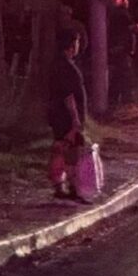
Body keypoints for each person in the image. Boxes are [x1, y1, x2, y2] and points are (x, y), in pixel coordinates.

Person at [47, 29, 87, 200]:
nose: (78, 45)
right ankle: (73, 187)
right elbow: (69, 96)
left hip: (57, 114)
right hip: (66, 117)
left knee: (60, 148)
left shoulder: (56, 64)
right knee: (72, 152)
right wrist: (75, 119)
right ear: (70, 45)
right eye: (76, 42)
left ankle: (58, 185)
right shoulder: (67, 68)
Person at [108, 0, 138, 106]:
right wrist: (136, 27)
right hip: (122, 48)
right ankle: (122, 98)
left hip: (121, 48)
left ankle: (117, 98)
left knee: (120, 73)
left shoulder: (115, 15)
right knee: (123, 73)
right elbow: (128, 28)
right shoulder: (121, 14)